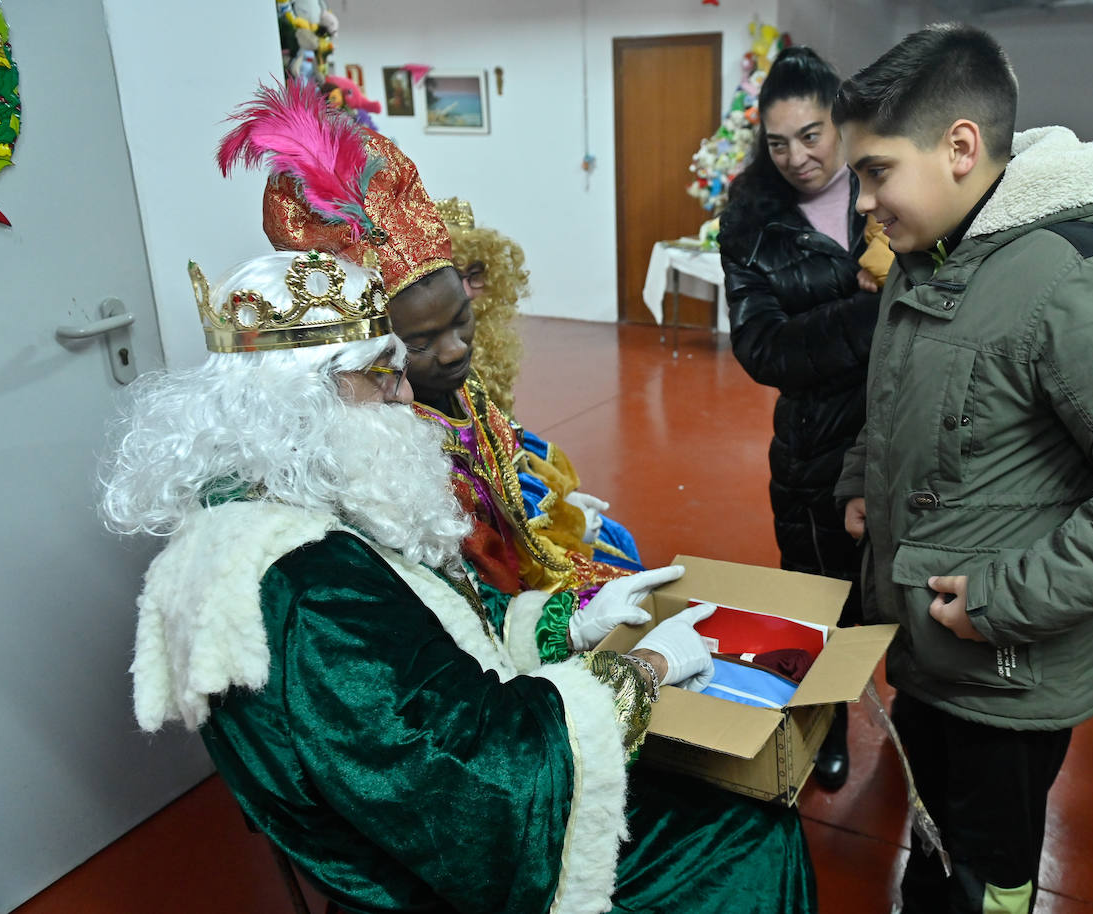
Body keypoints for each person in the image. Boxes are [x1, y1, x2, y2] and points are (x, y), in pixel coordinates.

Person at [100, 248, 817, 914]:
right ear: (304, 394)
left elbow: (428, 642)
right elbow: (474, 786)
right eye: (381, 369)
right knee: (750, 833)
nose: (403, 390)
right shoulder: (307, 585)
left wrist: (566, 624)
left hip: (417, 818)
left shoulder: (275, 495)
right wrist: (643, 669)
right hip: (435, 873)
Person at [831, 24, 1093, 913]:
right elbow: (905, 392)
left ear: (961, 148)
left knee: (987, 876)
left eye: (874, 170)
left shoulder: (1075, 282)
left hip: (1005, 670)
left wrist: (1002, 602)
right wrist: (864, 475)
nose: (861, 200)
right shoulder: (929, 252)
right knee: (936, 854)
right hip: (929, 645)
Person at [221, 81, 638, 598]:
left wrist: (547, 509)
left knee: (626, 549)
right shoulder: (381, 445)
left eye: (461, 319)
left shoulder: (459, 382)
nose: (456, 348)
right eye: (419, 344)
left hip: (526, 556)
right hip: (498, 610)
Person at [718, 45, 880, 792]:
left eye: (811, 135)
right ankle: (828, 722)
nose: (796, 157)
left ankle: (915, 723)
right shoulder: (751, 224)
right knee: (821, 601)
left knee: (901, 595)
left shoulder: (889, 188)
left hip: (905, 433)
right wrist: (875, 317)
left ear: (841, 122)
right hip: (814, 447)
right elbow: (761, 347)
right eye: (777, 142)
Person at [434, 195, 645, 575]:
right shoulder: (429, 366)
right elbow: (468, 471)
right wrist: (557, 510)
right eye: (453, 277)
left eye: (476, 274)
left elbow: (503, 436)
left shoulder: (488, 342)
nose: (466, 292)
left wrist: (560, 491)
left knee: (619, 539)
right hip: (481, 521)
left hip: (511, 476)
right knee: (614, 556)